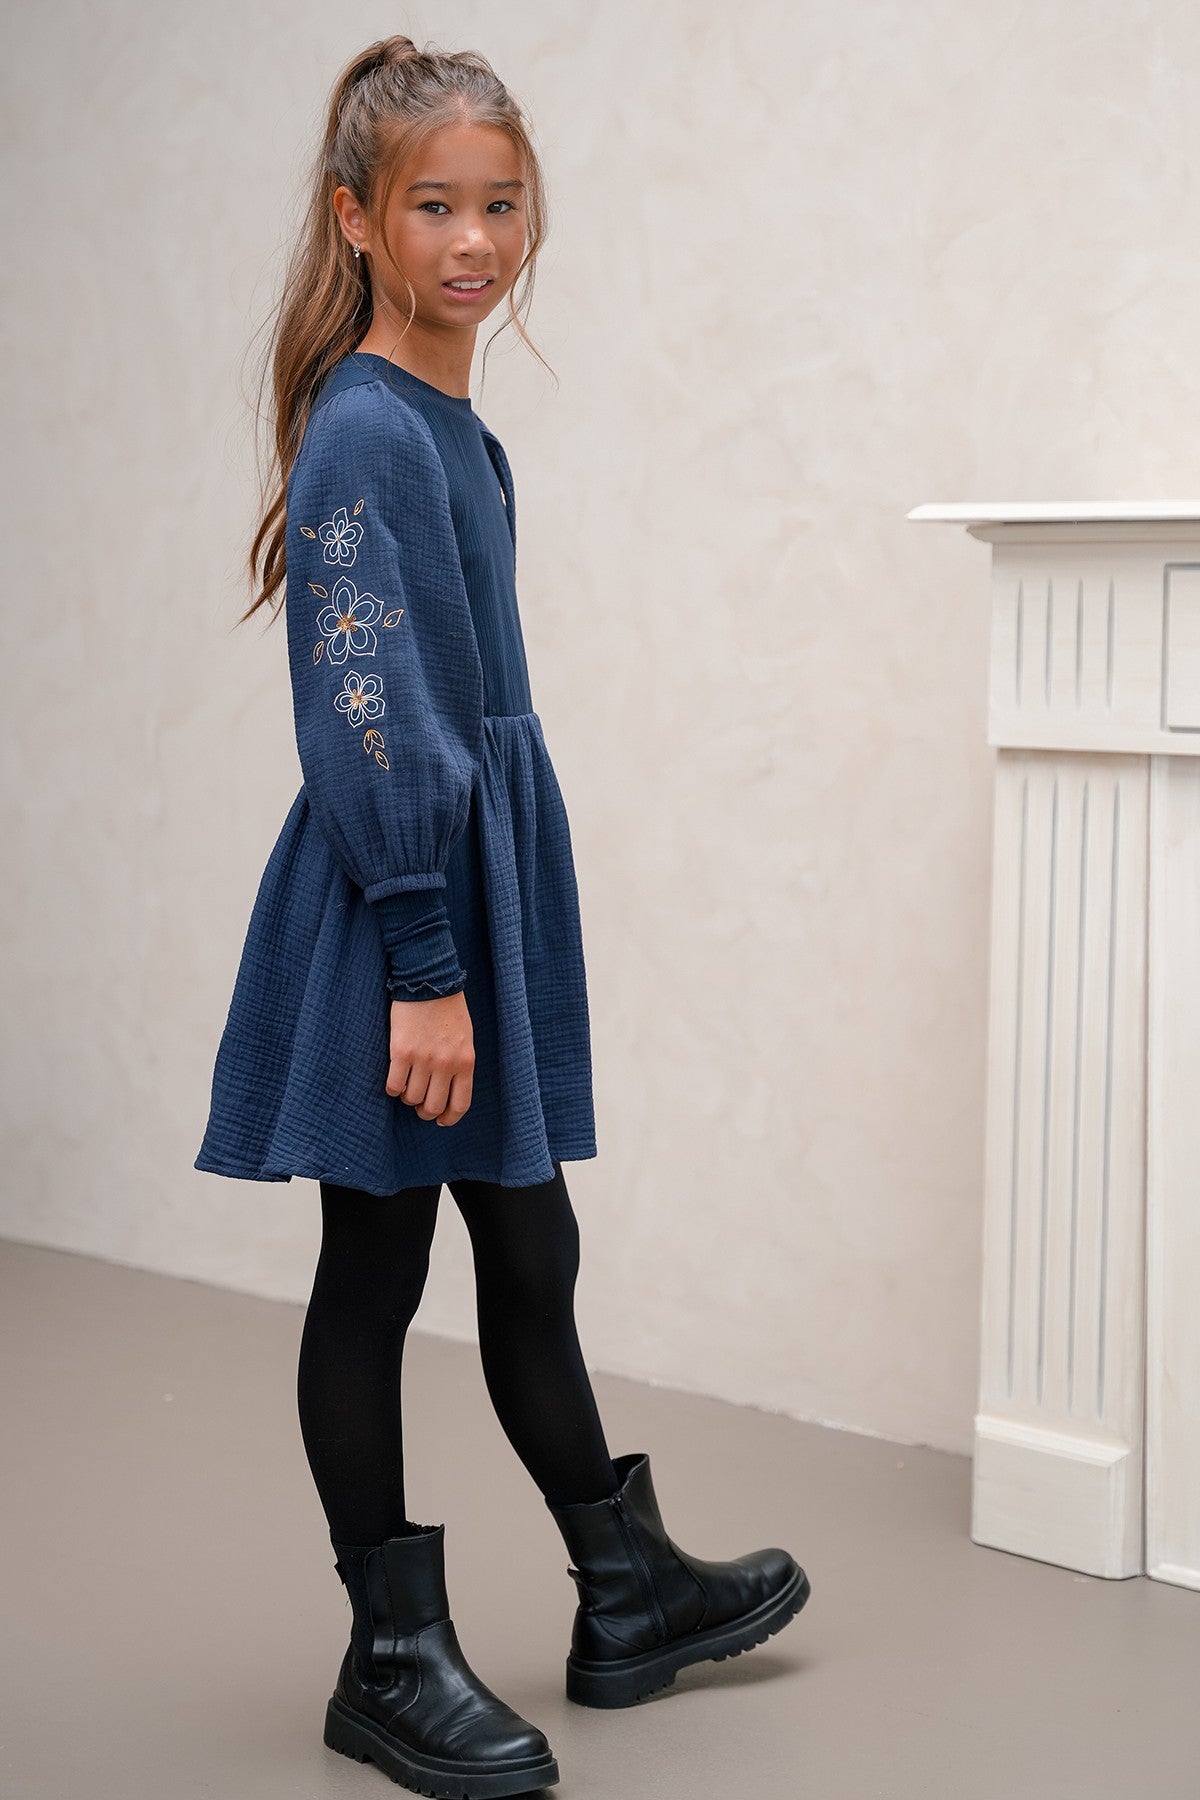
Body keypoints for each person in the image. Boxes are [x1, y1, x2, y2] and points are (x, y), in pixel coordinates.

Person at [194, 33, 810, 1800]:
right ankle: (390, 1656)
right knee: (377, 1266)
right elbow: (362, 710)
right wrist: (427, 960)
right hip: (406, 914)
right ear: (357, 220)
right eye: (435, 207)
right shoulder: (365, 432)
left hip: (468, 886)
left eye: (503, 203)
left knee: (530, 1253)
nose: (475, 240)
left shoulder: (459, 430)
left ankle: (626, 1590)